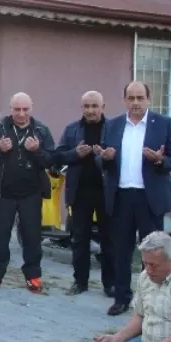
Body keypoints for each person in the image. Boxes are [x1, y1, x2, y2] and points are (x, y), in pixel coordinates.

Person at [100, 81, 171, 316]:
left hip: (150, 198)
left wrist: (160, 161)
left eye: (140, 98)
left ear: (148, 99)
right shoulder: (114, 125)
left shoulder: (163, 124)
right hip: (121, 196)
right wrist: (105, 158)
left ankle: (154, 301)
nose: (135, 103)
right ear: (125, 100)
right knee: (121, 250)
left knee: (154, 252)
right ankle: (122, 297)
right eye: (131, 98)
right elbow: (104, 160)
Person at [0, 92, 55, 293]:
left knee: (32, 236)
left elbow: (50, 160)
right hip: (3, 192)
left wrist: (37, 150)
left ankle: (33, 277)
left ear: (31, 109)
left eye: (25, 109)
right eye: (17, 109)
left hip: (31, 193)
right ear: (10, 109)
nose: (21, 114)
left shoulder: (41, 130)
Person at [53, 90, 113, 296]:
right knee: (79, 238)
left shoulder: (113, 128)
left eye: (95, 106)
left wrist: (106, 156)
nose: (90, 110)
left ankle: (110, 284)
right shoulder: (72, 130)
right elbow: (57, 156)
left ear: (103, 107)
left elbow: (120, 157)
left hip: (107, 192)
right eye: (86, 106)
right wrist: (74, 154)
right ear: (82, 108)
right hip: (79, 192)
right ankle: (80, 282)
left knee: (109, 239)